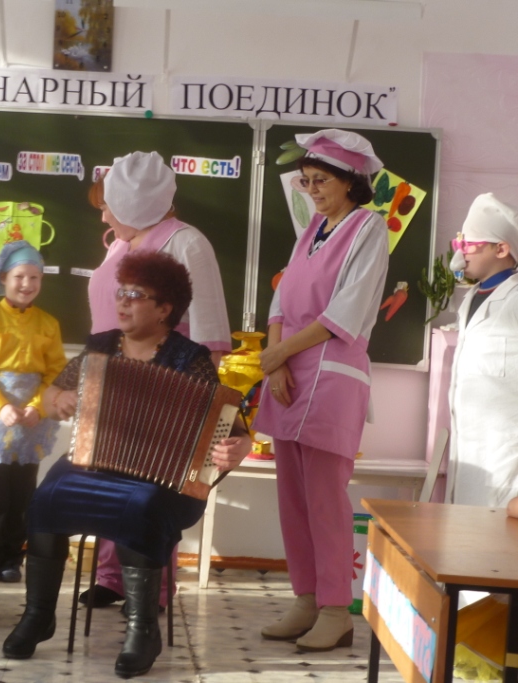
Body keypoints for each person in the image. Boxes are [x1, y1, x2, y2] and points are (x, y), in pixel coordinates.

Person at [1, 251, 251, 678]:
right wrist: (59, 399)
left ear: (164, 308)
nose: (123, 302)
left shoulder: (189, 359)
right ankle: (38, 615)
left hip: (163, 481)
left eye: (136, 295)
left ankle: (143, 631)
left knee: (141, 507)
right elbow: (52, 395)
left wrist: (238, 448)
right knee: (45, 499)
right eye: (121, 293)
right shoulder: (100, 347)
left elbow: (233, 427)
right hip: (92, 463)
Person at [251, 129, 389, 652]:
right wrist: (276, 361)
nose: (311, 190)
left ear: (351, 181)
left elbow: (345, 313)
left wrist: (281, 354)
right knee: (293, 499)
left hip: (332, 377)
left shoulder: (368, 228)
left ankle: (336, 609)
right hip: (289, 376)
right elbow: (281, 302)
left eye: (320, 181)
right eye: (305, 181)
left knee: (326, 500)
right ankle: (305, 599)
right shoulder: (311, 230)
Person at [82, 151, 233, 611]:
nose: (104, 216)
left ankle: (153, 588)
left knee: (152, 485)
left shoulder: (188, 243)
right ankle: (111, 577)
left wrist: (195, 397)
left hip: (165, 382)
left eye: (110, 206)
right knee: (109, 475)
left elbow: (208, 329)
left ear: (135, 203)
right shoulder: (119, 245)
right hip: (114, 378)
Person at [0, 240, 67, 584]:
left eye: (34, 277)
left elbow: (55, 371)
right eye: (20, 276)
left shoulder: (48, 324)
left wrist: (38, 406)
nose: (27, 284)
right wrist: (1, 405)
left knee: (22, 491)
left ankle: (13, 557)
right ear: (3, 278)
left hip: (30, 419)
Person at [445, 193, 518, 509]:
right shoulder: (471, 298)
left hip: (506, 453)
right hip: (469, 450)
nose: (461, 252)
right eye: (459, 243)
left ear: (501, 249)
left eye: (470, 244)